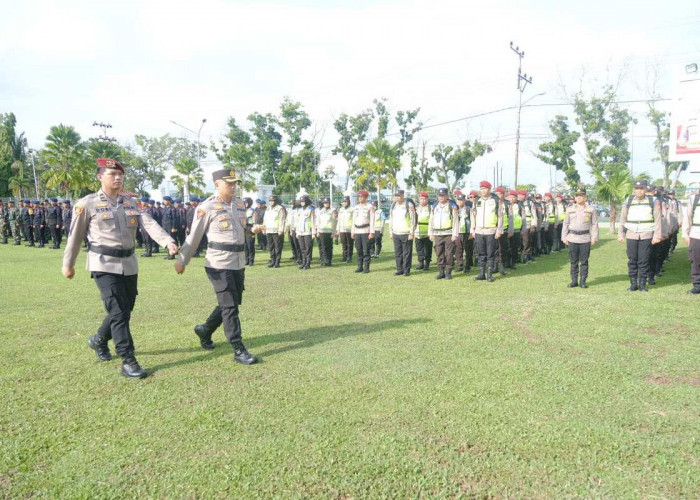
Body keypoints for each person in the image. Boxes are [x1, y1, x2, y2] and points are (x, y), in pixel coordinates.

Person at [62, 158, 178, 379]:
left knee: (124, 309)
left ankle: (98, 340)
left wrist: (167, 241)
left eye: (120, 175)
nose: (117, 178)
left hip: (129, 263)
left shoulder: (130, 202)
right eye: (112, 174)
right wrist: (68, 264)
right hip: (103, 263)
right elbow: (74, 237)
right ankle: (128, 360)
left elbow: (149, 223)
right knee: (118, 311)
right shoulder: (86, 204)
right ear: (100, 177)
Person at [175, 169, 259, 365]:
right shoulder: (207, 207)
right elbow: (194, 236)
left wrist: (251, 229)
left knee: (231, 302)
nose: (233, 186)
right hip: (218, 262)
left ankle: (205, 330)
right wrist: (182, 260)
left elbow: (241, 229)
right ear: (216, 184)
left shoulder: (239, 204)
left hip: (237, 261)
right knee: (230, 305)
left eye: (235, 183)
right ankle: (238, 348)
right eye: (228, 183)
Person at [618, 179, 662, 292]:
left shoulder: (653, 200)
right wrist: (621, 234)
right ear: (633, 189)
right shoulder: (628, 200)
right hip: (631, 234)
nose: (639, 191)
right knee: (632, 259)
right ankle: (633, 284)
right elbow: (623, 219)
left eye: (641, 188)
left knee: (644, 260)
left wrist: (657, 235)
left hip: (646, 234)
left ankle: (642, 283)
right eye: (637, 188)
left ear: (645, 189)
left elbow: (658, 220)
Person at [561, 189, 598, 288]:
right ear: (575, 197)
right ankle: (574, 280)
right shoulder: (569, 209)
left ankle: (583, 280)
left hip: (585, 238)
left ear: (586, 197)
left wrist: (594, 237)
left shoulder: (591, 209)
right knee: (573, 261)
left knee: (584, 261)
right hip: (572, 238)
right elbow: (565, 223)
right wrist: (564, 237)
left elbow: (594, 224)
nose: (579, 197)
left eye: (581, 196)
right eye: (577, 196)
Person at [471, 181, 504, 282]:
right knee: (481, 253)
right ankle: (481, 273)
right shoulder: (476, 201)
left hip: (491, 231)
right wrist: (473, 229)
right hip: (479, 231)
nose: (483, 191)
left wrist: (499, 230)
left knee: (490, 254)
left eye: (485, 189)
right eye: (481, 189)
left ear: (489, 189)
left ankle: (489, 274)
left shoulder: (495, 200)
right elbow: (473, 215)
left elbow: (500, 216)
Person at [429, 188, 458, 279]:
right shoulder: (434, 206)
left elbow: (456, 221)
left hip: (448, 234)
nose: (441, 197)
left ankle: (448, 272)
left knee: (449, 254)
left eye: (443, 195)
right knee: (439, 253)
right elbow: (431, 220)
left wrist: (455, 234)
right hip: (438, 234)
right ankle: (441, 272)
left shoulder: (452, 206)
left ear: (447, 196)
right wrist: (431, 233)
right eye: (440, 195)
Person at [389, 190, 416, 276]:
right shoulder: (393, 205)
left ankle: (406, 270)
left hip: (406, 232)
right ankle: (399, 269)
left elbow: (413, 220)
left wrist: (411, 233)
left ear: (403, 196)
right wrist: (390, 231)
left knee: (407, 252)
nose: (397, 197)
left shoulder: (409, 205)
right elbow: (391, 219)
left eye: (399, 196)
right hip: (396, 232)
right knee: (398, 253)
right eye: (396, 196)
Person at [351, 190, 375, 273]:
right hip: (357, 230)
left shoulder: (370, 207)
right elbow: (353, 220)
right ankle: (359, 266)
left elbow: (372, 220)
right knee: (359, 250)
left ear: (366, 197)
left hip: (366, 231)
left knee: (366, 250)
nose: (360, 198)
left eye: (362, 196)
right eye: (359, 196)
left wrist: (371, 232)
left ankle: (366, 267)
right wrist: (352, 231)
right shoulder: (356, 207)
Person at [682, 188, 700, 294]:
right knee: (696, 260)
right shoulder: (693, 199)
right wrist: (685, 234)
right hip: (696, 233)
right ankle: (697, 284)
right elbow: (687, 217)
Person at [263, 194, 286, 268]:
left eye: (272, 201)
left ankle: (277, 262)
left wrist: (281, 229)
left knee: (277, 246)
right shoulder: (268, 208)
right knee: (271, 247)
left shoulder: (280, 208)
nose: (271, 202)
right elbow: (265, 219)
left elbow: (282, 219)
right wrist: (264, 228)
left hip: (277, 231)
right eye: (270, 201)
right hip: (269, 230)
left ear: (275, 201)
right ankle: (272, 261)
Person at [295, 195, 316, 270]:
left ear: (306, 201)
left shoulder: (311, 209)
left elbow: (314, 221)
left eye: (303, 201)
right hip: (300, 232)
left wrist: (313, 232)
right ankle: (303, 262)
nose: (302, 203)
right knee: (302, 248)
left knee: (308, 248)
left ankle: (308, 263)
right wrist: (297, 232)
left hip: (308, 232)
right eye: (301, 202)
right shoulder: (299, 210)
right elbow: (297, 221)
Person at [454, 193, 474, 273]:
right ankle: (460, 265)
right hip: (458, 232)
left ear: (465, 200)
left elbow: (473, 220)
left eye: (462, 200)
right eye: (459, 200)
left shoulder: (469, 209)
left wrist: (472, 232)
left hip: (467, 232)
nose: (460, 202)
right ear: (456, 201)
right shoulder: (455, 209)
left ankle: (467, 266)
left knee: (468, 250)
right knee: (458, 250)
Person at [506, 190, 525, 269]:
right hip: (507, 230)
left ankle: (513, 262)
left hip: (517, 230)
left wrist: (523, 229)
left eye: (513, 197)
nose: (512, 199)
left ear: (516, 198)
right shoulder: (505, 205)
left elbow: (523, 218)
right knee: (506, 247)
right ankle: (506, 262)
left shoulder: (519, 206)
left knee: (514, 247)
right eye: (510, 197)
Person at [414, 192, 433, 270]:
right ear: (419, 199)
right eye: (421, 199)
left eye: (425, 199)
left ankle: (427, 264)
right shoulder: (416, 208)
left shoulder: (430, 208)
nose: (423, 200)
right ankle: (421, 263)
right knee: (419, 249)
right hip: (417, 232)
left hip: (427, 233)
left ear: (427, 199)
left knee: (428, 249)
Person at [315, 198, 335, 266]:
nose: (326, 204)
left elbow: (334, 222)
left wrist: (333, 232)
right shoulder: (321, 211)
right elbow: (318, 221)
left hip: (329, 232)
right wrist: (317, 231)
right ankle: (324, 259)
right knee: (323, 247)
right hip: (322, 231)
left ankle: (329, 260)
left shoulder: (332, 211)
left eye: (327, 203)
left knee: (329, 247)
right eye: (325, 203)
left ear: (329, 203)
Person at [336, 196, 354, 263]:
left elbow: (354, 220)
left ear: (348, 202)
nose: (344, 203)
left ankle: (349, 257)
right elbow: (339, 220)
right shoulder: (341, 209)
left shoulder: (352, 209)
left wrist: (353, 229)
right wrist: (338, 229)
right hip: (342, 229)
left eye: (345, 202)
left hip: (349, 229)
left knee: (350, 244)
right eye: (343, 202)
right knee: (344, 244)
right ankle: (344, 256)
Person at [243, 197, 256, 266]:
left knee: (250, 245)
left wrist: (254, 230)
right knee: (245, 245)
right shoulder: (242, 210)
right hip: (243, 228)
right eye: (244, 203)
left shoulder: (253, 210)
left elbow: (254, 221)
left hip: (250, 227)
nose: (245, 204)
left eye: (246, 203)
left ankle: (251, 260)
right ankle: (246, 260)